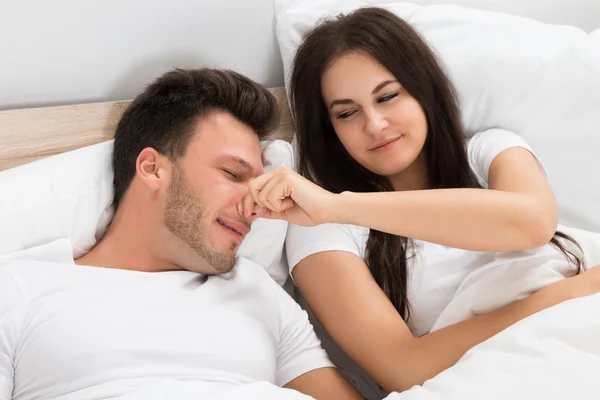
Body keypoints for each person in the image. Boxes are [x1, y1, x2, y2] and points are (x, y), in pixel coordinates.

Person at [242, 7, 600, 399]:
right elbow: (403, 368)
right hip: (514, 364)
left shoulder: (487, 151)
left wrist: (340, 204)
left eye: (388, 96)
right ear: (330, 130)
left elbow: (532, 224)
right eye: (347, 113)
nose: (375, 125)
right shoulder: (320, 224)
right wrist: (567, 294)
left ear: (422, 89)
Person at [0, 68, 364, 400]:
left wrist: (337, 208)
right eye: (233, 174)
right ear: (152, 168)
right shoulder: (19, 289)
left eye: (259, 183)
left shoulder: (259, 291)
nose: (255, 204)